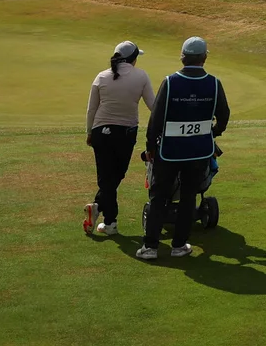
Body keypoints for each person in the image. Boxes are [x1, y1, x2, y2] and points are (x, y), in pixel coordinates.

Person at [138, 37, 230, 260]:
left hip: (169, 151)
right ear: (204, 58)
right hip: (199, 151)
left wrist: (150, 146)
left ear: (183, 57)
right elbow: (224, 115)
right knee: (189, 196)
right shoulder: (214, 83)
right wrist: (213, 132)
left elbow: (155, 119)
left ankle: (150, 247)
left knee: (159, 196)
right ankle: (179, 246)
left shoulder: (170, 82)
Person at [84, 41, 154, 236]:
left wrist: (89, 132)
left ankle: (98, 207)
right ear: (133, 59)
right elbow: (153, 106)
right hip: (125, 133)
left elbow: (91, 109)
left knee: (107, 177)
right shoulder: (141, 76)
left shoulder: (101, 76)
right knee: (115, 176)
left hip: (100, 131)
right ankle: (109, 221)